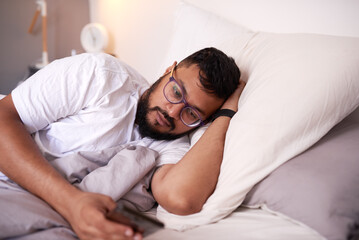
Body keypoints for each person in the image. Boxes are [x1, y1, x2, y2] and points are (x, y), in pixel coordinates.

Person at [0, 47, 245, 240]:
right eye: (177, 92)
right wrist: (71, 203)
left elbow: (181, 199)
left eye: (191, 113)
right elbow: (4, 117)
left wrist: (225, 116)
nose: (172, 111)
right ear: (168, 70)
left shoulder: (172, 145)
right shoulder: (100, 76)